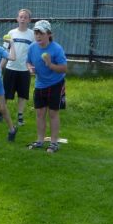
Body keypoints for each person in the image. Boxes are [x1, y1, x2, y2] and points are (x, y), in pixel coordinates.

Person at [26, 20, 67, 153]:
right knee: (39, 113)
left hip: (56, 84)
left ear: (49, 34)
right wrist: (30, 68)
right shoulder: (32, 47)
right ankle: (40, 141)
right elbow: (28, 62)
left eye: (41, 33)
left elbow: (64, 68)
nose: (38, 36)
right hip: (40, 84)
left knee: (53, 113)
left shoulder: (56, 49)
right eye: (36, 33)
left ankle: (54, 143)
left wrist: (50, 65)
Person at [0, 9, 35, 126]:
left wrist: (32, 66)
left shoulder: (32, 35)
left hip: (24, 70)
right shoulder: (11, 33)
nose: (23, 19)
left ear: (29, 20)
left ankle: (20, 117)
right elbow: (5, 52)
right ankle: (0, 114)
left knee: (22, 94)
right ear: (17, 19)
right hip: (10, 69)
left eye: (25, 17)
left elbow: (34, 52)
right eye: (21, 17)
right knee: (5, 94)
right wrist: (0, 67)